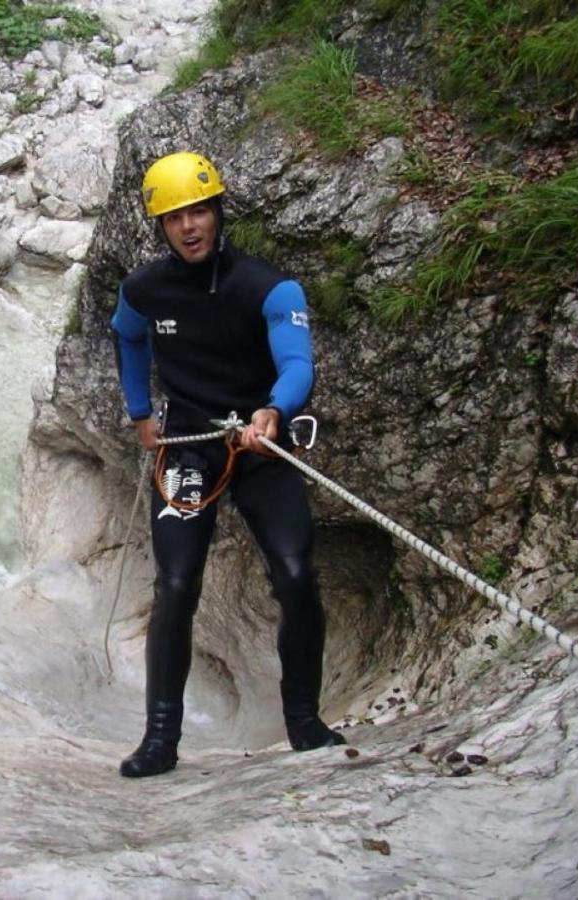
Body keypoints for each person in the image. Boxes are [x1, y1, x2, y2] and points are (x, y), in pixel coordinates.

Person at [110, 151, 345, 778]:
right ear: (160, 226)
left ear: (218, 213)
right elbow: (126, 333)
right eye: (175, 217)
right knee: (177, 584)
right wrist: (140, 411)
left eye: (200, 211)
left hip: (258, 440)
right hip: (188, 442)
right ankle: (160, 740)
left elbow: (297, 362)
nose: (190, 227)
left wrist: (274, 411)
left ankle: (303, 720)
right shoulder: (144, 289)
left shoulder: (269, 287)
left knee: (295, 573)